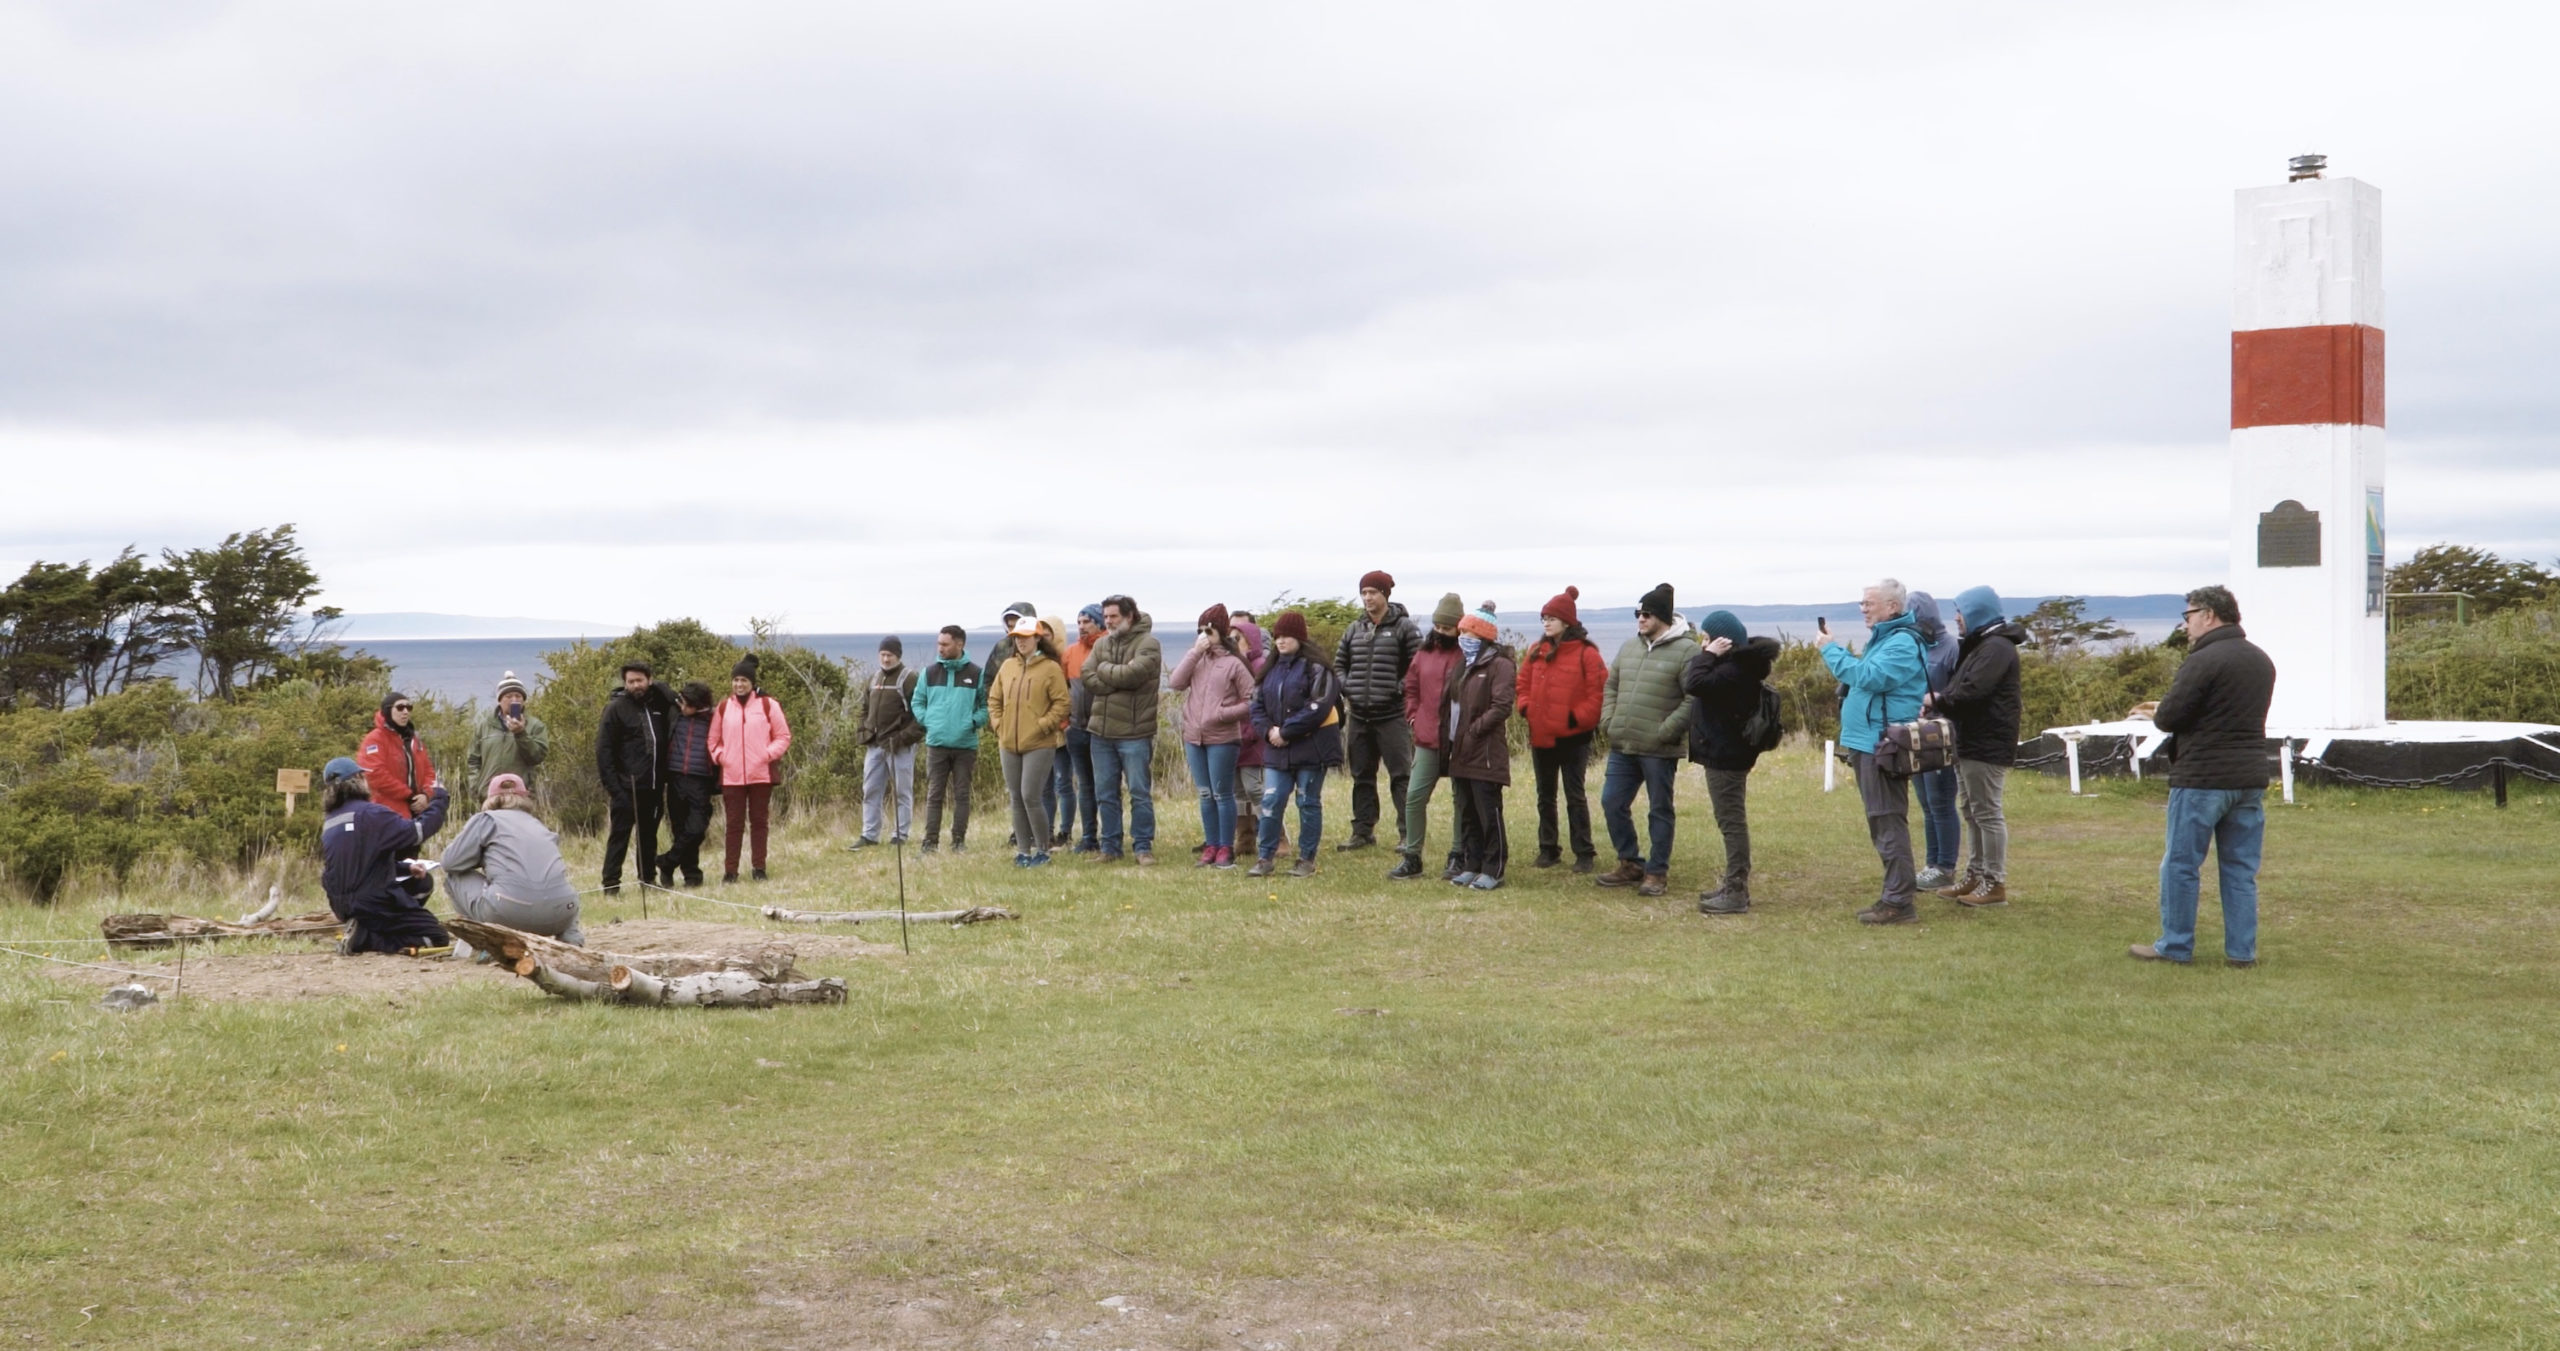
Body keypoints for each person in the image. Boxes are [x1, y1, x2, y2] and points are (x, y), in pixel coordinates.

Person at [2131, 585, 2276, 967]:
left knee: (2181, 864)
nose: (2186, 625)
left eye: (2189, 615)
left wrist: (2160, 709)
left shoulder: (2203, 660)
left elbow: (2169, 717)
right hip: (2248, 776)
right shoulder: (2260, 660)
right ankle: (2241, 951)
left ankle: (2176, 945)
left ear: (2209, 614)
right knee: (2240, 869)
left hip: (2202, 777)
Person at [1820, 578, 1932, 925]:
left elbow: (1869, 677)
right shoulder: (1886, 639)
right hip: (1868, 742)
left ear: (1893, 607)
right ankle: (1897, 893)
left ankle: (1899, 902)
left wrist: (1831, 649)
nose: (1863, 608)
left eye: (1869, 603)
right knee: (1881, 819)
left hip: (1881, 745)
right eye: (1862, 603)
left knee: (1887, 819)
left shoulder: (1902, 643)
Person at [1597, 583, 1696, 898]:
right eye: (1638, 613)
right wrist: (1609, 721)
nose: (1640, 618)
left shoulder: (1687, 650)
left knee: (1659, 809)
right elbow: (1611, 685)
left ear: (1663, 616)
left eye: (1647, 613)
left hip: (1660, 748)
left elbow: (1694, 698)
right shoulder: (1630, 647)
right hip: (1623, 744)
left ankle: (1656, 872)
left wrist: (1667, 730)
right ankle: (1630, 862)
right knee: (1611, 802)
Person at [1682, 610, 1782, 914]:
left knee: (1731, 822)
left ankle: (1736, 890)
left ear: (1722, 641)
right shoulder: (1740, 667)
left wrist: (1708, 655)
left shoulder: (1733, 671)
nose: (1703, 642)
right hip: (1728, 753)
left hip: (1726, 757)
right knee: (1730, 819)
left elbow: (1694, 683)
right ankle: (1733, 885)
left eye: (1708, 637)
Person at [1933, 587, 2025, 908]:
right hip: (1970, 741)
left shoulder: (1996, 648)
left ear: (1976, 612)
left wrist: (1937, 700)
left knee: (1987, 813)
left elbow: (1972, 692)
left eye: (1960, 611)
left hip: (1986, 743)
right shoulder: (1981, 645)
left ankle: (1994, 882)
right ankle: (1975, 874)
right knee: (1971, 812)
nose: (1956, 618)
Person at [318, 756, 451, 955]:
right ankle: (365, 937)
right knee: (436, 938)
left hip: (342, 906)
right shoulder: (371, 814)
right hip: (374, 901)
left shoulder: (330, 823)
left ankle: (366, 929)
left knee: (421, 884)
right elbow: (418, 831)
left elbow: (358, 864)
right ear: (359, 778)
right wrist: (440, 798)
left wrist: (405, 868)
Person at [441, 773, 584, 953]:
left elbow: (450, 862)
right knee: (562, 885)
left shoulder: (486, 819)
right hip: (561, 914)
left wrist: (480, 857)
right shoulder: (539, 825)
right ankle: (571, 940)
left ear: (490, 798)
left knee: (454, 877)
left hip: (508, 915)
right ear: (523, 797)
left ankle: (489, 945)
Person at [1516, 586, 1606, 872]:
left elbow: (1597, 694)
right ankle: (1548, 848)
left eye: (1551, 617)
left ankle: (1584, 852)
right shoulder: (1535, 650)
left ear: (1567, 621)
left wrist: (1573, 719)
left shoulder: (1587, 654)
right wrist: (1526, 708)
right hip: (1541, 735)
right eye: (1544, 618)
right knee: (1545, 795)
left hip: (1574, 738)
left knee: (1574, 794)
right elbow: (1522, 685)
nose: (1546, 622)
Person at [1248, 611, 1342, 878]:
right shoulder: (1269, 670)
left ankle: (1306, 859)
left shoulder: (1317, 668)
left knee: (1307, 802)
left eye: (1287, 635)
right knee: (1271, 800)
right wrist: (1269, 732)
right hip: (1277, 749)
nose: (1281, 640)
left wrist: (1286, 732)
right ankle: (1265, 857)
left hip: (1312, 748)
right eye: (1278, 635)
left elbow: (1319, 706)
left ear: (1300, 637)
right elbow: (1255, 706)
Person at [1332, 570, 1420, 852]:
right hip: (1359, 715)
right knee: (1362, 776)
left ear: (1386, 594)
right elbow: (1339, 665)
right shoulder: (1354, 629)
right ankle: (1362, 831)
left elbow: (1418, 668)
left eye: (1373, 592)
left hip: (1392, 715)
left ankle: (1408, 834)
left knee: (1401, 776)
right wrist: (1349, 688)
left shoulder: (1405, 628)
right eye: (1364, 593)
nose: (1368, 598)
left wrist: (1397, 689)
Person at [1389, 593, 1468, 881]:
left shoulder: (1467, 654)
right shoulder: (1422, 655)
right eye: (1438, 626)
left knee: (1462, 799)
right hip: (1427, 738)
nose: (1441, 632)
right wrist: (1413, 716)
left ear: (1459, 628)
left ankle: (1458, 854)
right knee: (1414, 797)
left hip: (1458, 741)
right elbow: (1411, 688)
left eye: (1447, 628)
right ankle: (1412, 857)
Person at [1170, 604, 1256, 869]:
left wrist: (1223, 714)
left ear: (1220, 632)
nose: (1204, 635)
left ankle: (1225, 848)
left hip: (1223, 738)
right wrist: (1195, 653)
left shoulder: (1234, 664)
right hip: (1194, 737)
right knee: (1205, 794)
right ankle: (1210, 845)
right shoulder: (1197, 659)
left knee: (1222, 793)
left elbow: (1251, 701)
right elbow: (1175, 683)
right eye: (1200, 631)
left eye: (1208, 630)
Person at [1083, 594, 1163, 865]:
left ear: (1129, 616)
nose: (1108, 622)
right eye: (1105, 617)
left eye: (1113, 616)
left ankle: (1142, 847)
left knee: (1139, 792)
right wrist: (1115, 677)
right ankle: (1111, 847)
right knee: (1106, 793)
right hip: (1101, 733)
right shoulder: (1101, 643)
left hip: (1134, 733)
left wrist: (1104, 670)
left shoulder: (1148, 643)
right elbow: (1087, 676)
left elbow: (1134, 675)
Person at [1444, 602, 1517, 890]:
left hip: (1485, 752)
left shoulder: (1500, 665)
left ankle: (1493, 868)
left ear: (1483, 636)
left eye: (1469, 633)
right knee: (1468, 812)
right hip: (1459, 751)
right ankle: (1471, 864)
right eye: (1461, 633)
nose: (1463, 638)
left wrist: (1475, 731)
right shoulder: (1463, 666)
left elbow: (1501, 706)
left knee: (1489, 812)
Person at [987, 614, 1070, 868]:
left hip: (1039, 744)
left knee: (1030, 796)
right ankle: (1023, 851)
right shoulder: (1008, 666)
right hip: (1008, 743)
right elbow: (994, 700)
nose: (1020, 642)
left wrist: (1043, 725)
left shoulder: (1050, 668)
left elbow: (1062, 703)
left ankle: (1042, 850)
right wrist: (999, 724)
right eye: (1016, 638)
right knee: (1016, 797)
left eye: (1025, 637)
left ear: (1037, 638)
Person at [708, 654, 793, 882]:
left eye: (744, 680)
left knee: (759, 822)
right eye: (736, 680)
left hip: (760, 775)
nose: (739, 684)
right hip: (732, 777)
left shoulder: (768, 705)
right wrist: (721, 757)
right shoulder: (724, 707)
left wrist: (767, 754)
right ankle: (730, 871)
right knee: (733, 825)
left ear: (752, 682)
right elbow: (712, 741)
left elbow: (783, 736)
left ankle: (759, 868)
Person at [595, 661, 673, 894]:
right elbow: (604, 750)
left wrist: (662, 689)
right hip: (625, 787)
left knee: (648, 837)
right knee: (619, 837)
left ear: (649, 680)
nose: (635, 685)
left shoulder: (658, 704)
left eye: (640, 680)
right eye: (630, 681)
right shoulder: (616, 708)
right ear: (625, 683)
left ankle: (648, 880)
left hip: (653, 786)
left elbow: (676, 700)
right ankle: (611, 885)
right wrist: (614, 788)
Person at [910, 625, 987, 854]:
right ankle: (930, 842)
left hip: (965, 745)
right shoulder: (929, 672)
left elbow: (985, 706)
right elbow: (917, 702)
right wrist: (929, 721)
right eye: (939, 643)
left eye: (945, 644)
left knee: (962, 795)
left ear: (959, 644)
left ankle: (958, 841)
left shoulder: (976, 673)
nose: (940, 648)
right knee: (934, 794)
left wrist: (973, 723)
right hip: (937, 744)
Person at [1908, 592, 1963, 891]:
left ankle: (1946, 866)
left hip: (1941, 735)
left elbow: (1958, 694)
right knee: (1927, 804)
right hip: (1916, 734)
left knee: (1941, 802)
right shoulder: (1914, 645)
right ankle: (1931, 864)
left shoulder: (1951, 648)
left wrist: (1936, 704)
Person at [855, 636, 925, 848]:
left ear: (898, 656)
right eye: (883, 655)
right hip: (875, 746)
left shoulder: (909, 678)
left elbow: (920, 715)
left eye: (890, 655)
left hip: (900, 747)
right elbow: (864, 708)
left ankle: (900, 835)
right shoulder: (874, 678)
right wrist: (863, 731)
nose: (886, 659)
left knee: (902, 792)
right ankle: (869, 835)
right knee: (870, 791)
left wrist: (902, 738)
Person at [1054, 604, 1105, 852]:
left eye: (1087, 621)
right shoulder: (1070, 653)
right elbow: (1061, 691)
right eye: (1079, 622)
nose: (1082, 626)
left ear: (1099, 623)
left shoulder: (1108, 649)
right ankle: (1089, 838)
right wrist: (1065, 723)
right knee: (1085, 785)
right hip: (1076, 729)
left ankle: (1110, 836)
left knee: (1105, 785)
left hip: (1104, 730)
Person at [1229, 609, 1276, 862]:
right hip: (1234, 736)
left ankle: (1276, 835)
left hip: (1253, 736)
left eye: (1238, 637)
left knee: (1254, 788)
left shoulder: (1260, 665)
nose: (1233, 641)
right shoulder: (1233, 662)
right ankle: (1245, 838)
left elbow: (1259, 704)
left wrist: (1253, 730)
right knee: (1238, 792)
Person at [663, 681, 718, 888]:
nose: (682, 707)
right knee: (679, 830)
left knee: (696, 829)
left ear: (699, 705)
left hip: (701, 780)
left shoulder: (713, 719)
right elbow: (661, 688)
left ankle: (667, 862)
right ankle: (692, 876)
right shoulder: (676, 713)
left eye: (687, 704)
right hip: (676, 778)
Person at [463, 672, 549, 800]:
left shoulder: (535, 725)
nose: (514, 700)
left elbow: (536, 757)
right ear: (499, 700)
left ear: (524, 700)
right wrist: (476, 787)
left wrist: (520, 733)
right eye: (508, 696)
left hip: (521, 795)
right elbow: (473, 760)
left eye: (518, 696)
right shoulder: (484, 726)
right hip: (489, 795)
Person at [357, 691, 437, 820]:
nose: (405, 712)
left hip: (416, 809)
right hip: (385, 811)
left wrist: (425, 795)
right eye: (400, 708)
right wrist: (409, 796)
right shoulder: (374, 739)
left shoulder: (414, 739)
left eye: (408, 707)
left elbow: (428, 770)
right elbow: (375, 775)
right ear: (388, 711)